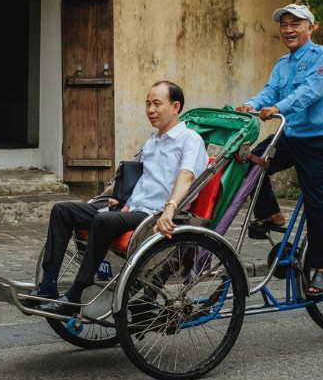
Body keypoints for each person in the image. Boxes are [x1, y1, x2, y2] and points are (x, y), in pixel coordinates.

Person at [31, 80, 208, 313]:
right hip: (130, 209)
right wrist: (121, 198)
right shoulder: (153, 141)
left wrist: (170, 209)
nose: (150, 110)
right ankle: (48, 285)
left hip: (152, 215)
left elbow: (186, 176)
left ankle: (76, 293)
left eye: (157, 104)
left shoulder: (190, 140)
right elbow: (142, 179)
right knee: (62, 210)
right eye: (147, 104)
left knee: (103, 221)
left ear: (175, 107)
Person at [236, 3, 323, 299]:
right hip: (292, 136)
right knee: (250, 163)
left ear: (311, 27)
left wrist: (277, 108)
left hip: (322, 141)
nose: (288, 30)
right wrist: (253, 104)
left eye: (295, 24)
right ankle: (272, 215)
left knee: (313, 201)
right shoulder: (283, 64)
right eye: (283, 25)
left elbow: (310, 92)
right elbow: (270, 92)